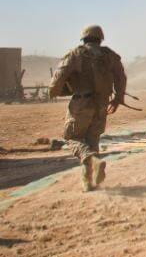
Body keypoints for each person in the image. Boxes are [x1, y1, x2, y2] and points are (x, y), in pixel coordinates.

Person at [49, 25, 127, 192]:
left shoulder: (76, 54)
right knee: (92, 140)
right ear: (100, 38)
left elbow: (58, 78)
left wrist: (54, 91)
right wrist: (118, 99)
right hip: (102, 104)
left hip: (81, 104)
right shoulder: (109, 55)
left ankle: (91, 161)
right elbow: (121, 77)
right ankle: (89, 182)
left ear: (84, 38)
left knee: (72, 137)